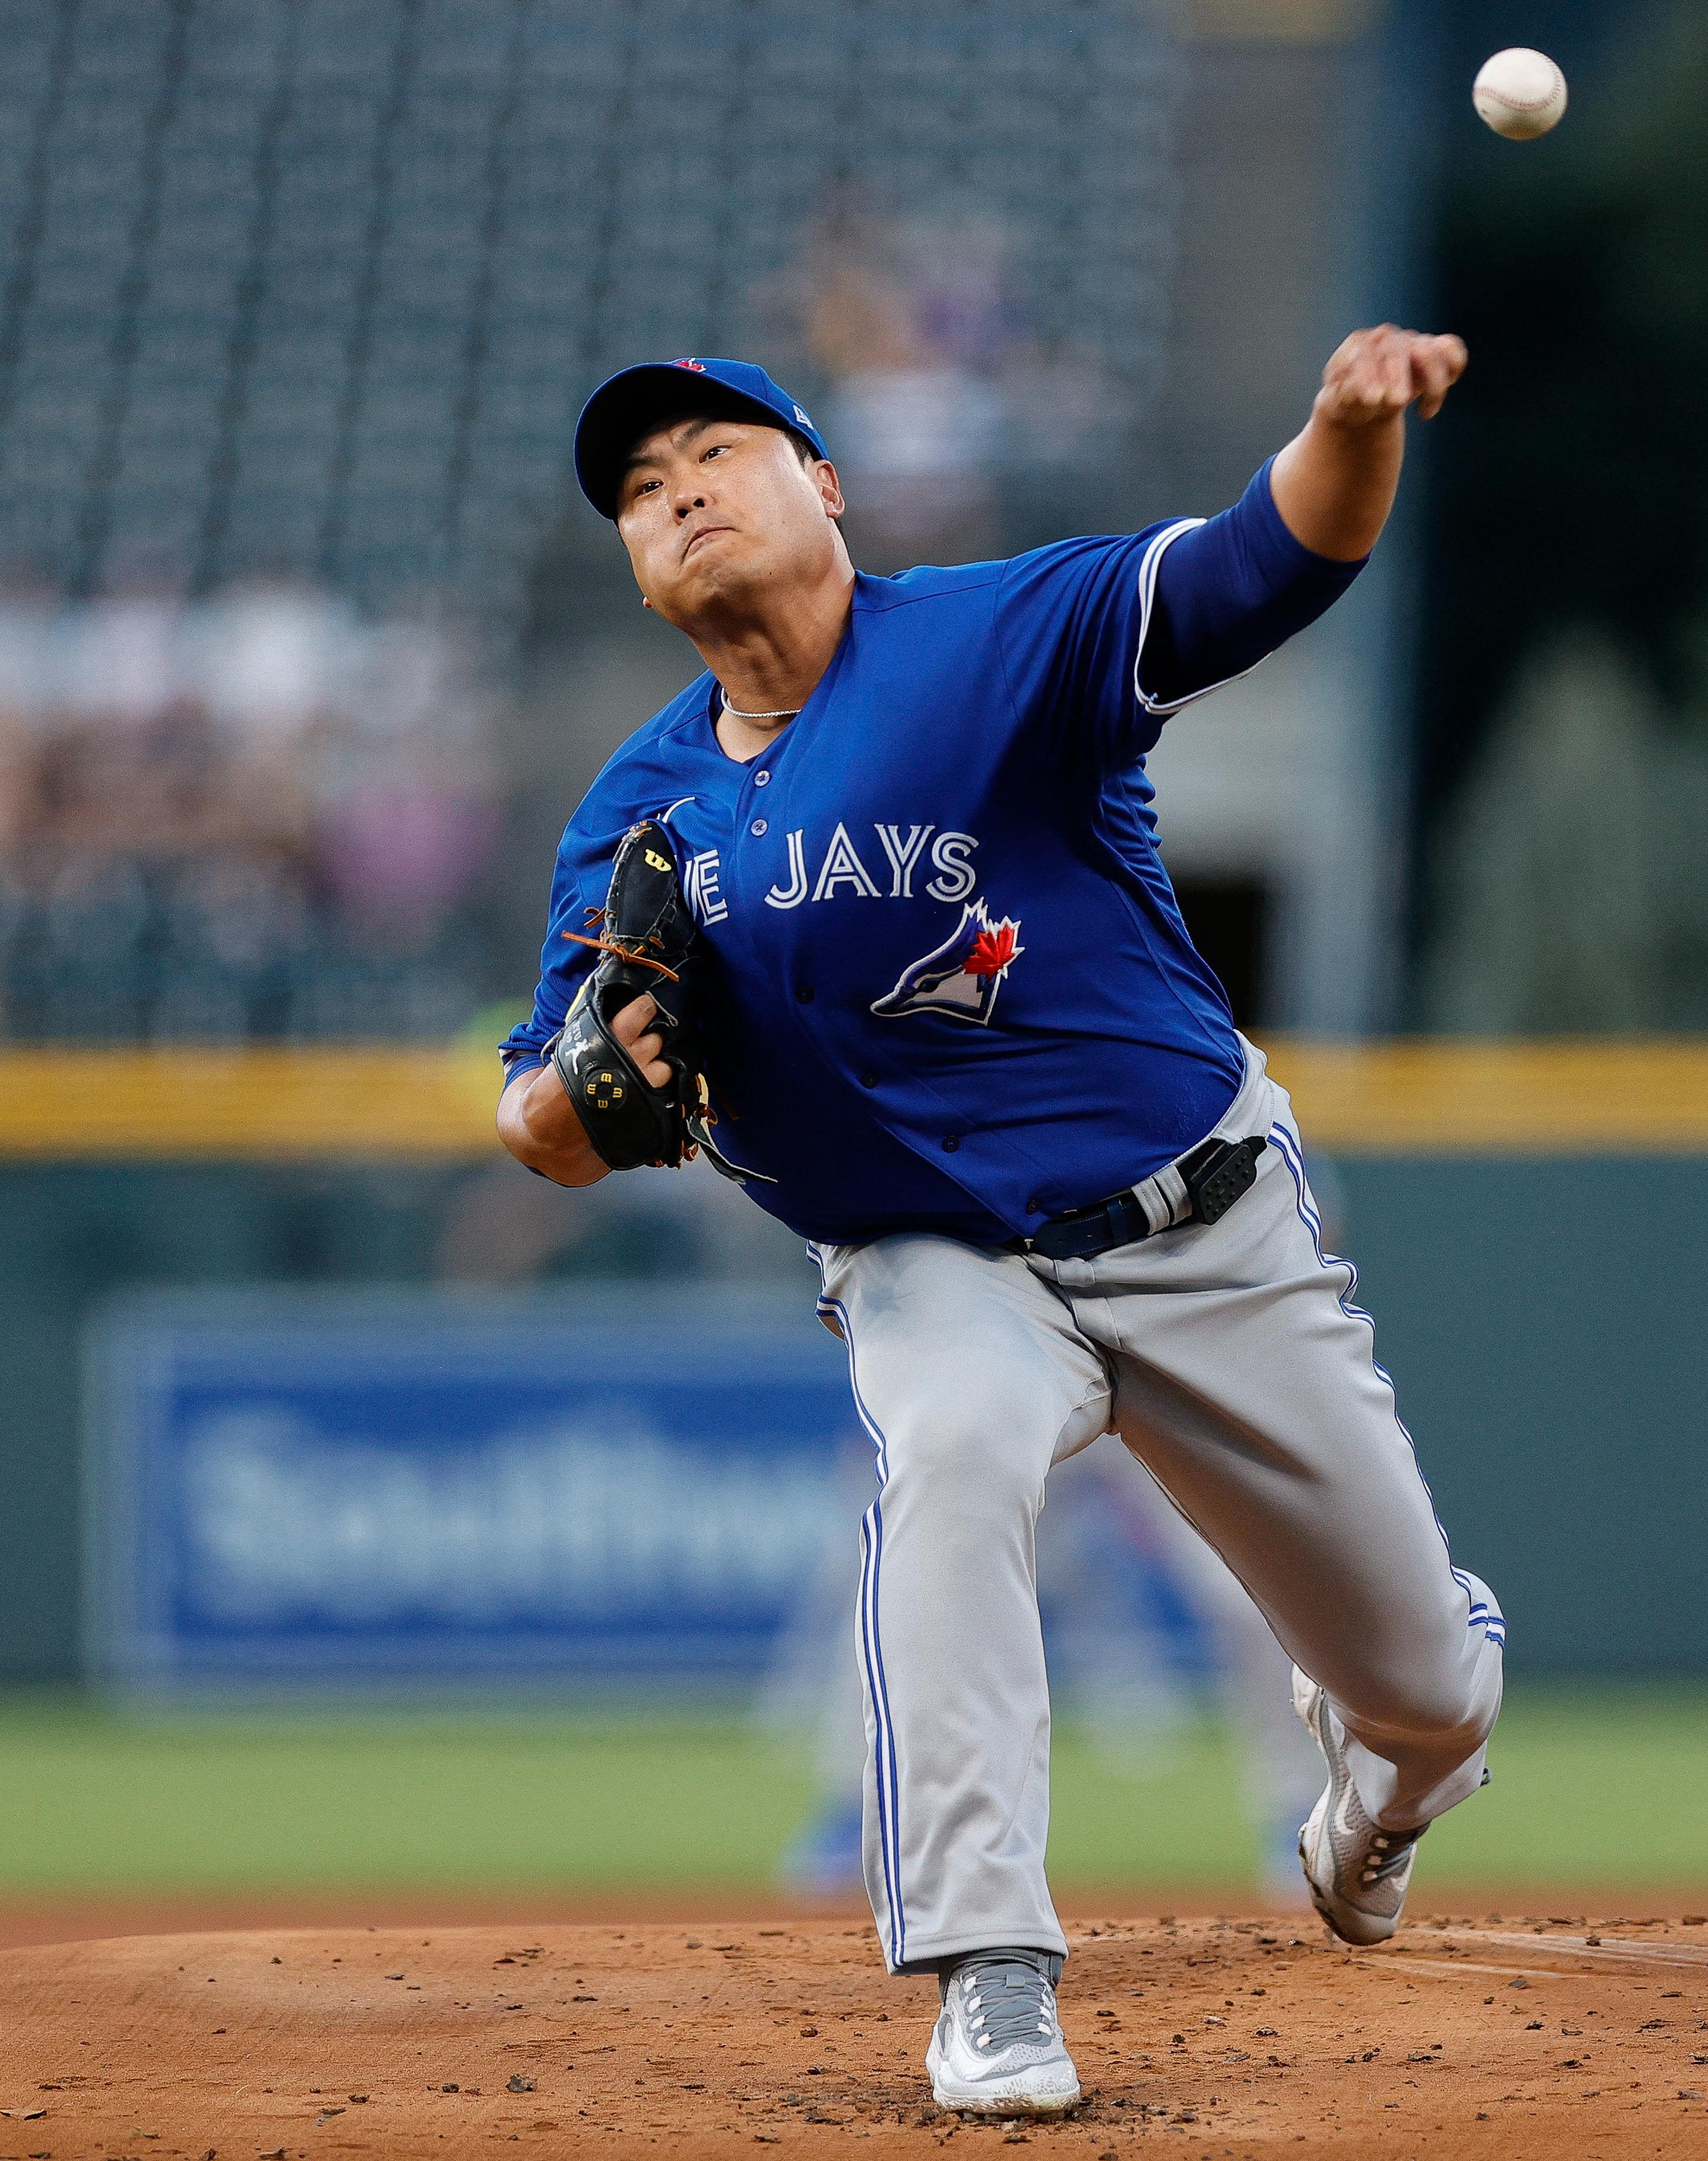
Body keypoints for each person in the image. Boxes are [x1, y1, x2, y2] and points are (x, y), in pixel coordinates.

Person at [494, 332, 1505, 2119]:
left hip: (1200, 1230)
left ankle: (1382, 1779)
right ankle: (993, 1973)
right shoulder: (637, 812)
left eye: (717, 454)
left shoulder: (992, 641)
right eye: (642, 496)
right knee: (948, 1453)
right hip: (929, 1261)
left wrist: (1350, 428)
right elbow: (542, 1120)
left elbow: (1268, 564)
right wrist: (583, 1084)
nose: (679, 499)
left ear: (826, 485)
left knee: (1430, 1692)